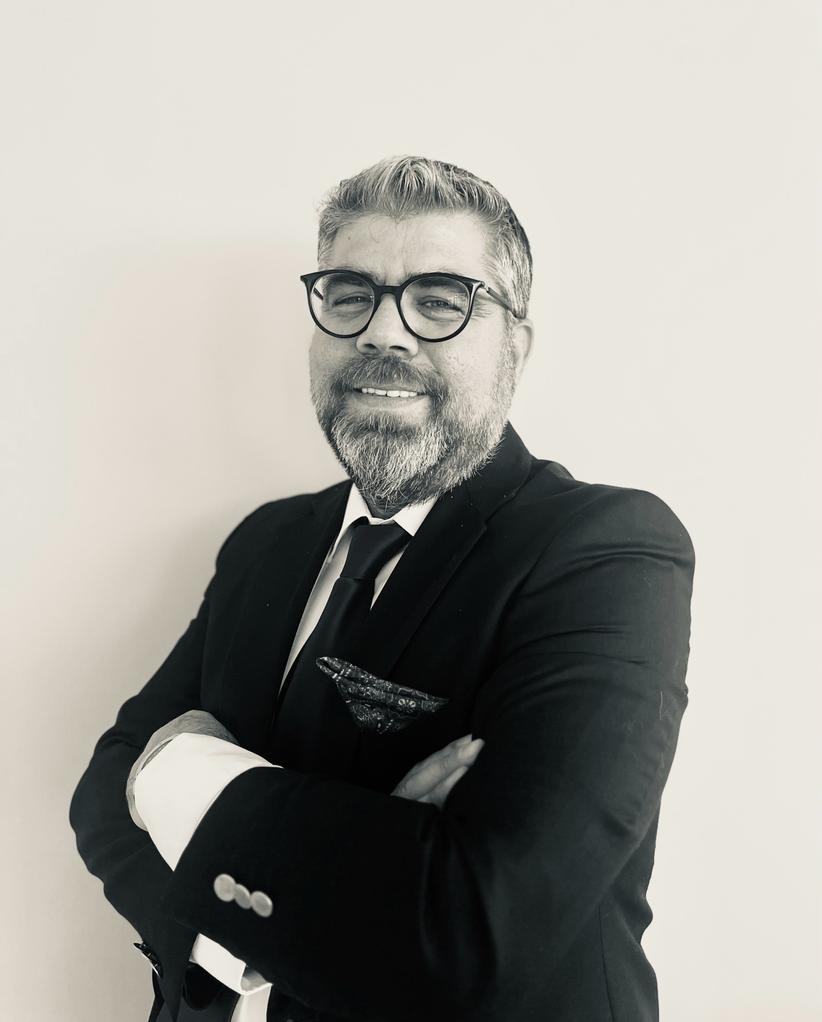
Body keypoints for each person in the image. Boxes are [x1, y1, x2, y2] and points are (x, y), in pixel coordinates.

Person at [70, 155, 695, 1022]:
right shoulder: (266, 541)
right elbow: (101, 799)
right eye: (351, 294)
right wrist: (363, 859)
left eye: (439, 301)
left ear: (515, 346)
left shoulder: (604, 551)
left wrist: (173, 774)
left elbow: (470, 932)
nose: (384, 333)